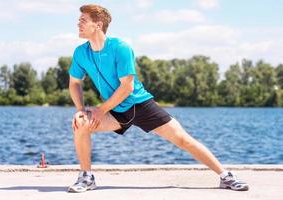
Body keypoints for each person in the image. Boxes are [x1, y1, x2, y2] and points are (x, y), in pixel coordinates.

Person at [68, 4, 249, 193]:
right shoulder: (81, 53)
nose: (78, 24)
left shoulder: (120, 48)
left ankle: (226, 176)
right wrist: (81, 109)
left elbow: (127, 87)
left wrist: (100, 109)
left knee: (182, 139)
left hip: (139, 105)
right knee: (81, 122)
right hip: (115, 111)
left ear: (97, 25)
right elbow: (75, 83)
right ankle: (86, 177)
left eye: (83, 20)